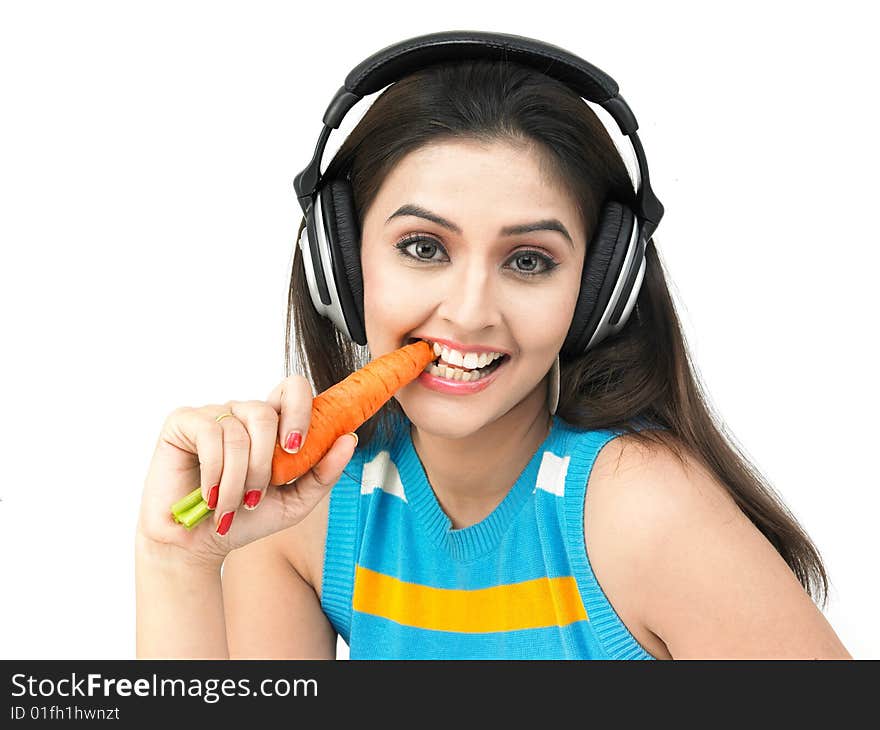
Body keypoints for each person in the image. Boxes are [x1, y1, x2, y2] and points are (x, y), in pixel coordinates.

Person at [135, 34, 852, 660]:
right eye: (422, 247)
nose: (471, 312)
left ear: (600, 290)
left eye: (529, 261)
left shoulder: (641, 511)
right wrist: (178, 559)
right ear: (343, 265)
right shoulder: (308, 514)